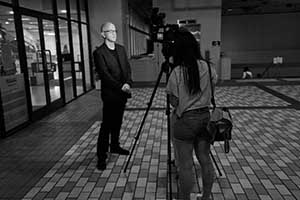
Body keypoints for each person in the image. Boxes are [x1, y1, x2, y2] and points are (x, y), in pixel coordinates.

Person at [166, 28, 217, 200]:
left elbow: (174, 102)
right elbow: (212, 91)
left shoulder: (177, 72)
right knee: (205, 159)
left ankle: (184, 198)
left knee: (186, 166)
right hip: (205, 119)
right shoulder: (209, 68)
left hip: (185, 121)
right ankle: (206, 196)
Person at [93, 22, 132, 170]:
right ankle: (101, 157)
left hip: (122, 92)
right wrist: (121, 86)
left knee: (118, 122)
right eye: (110, 31)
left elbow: (127, 68)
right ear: (103, 34)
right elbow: (104, 74)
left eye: (115, 30)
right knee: (107, 125)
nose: (114, 33)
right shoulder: (99, 53)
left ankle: (115, 146)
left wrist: (128, 82)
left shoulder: (121, 49)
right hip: (110, 94)